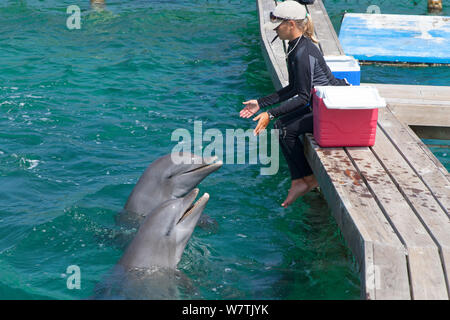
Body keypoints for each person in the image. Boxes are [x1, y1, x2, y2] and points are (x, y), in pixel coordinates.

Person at [240, 1, 348, 208]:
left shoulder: (302, 53)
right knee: (281, 128)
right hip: (320, 104)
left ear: (290, 24)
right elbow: (294, 88)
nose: (276, 31)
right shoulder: (296, 46)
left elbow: (302, 96)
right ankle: (301, 179)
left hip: (332, 111)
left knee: (283, 129)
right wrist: (260, 104)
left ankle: (306, 179)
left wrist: (270, 114)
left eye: (277, 26)